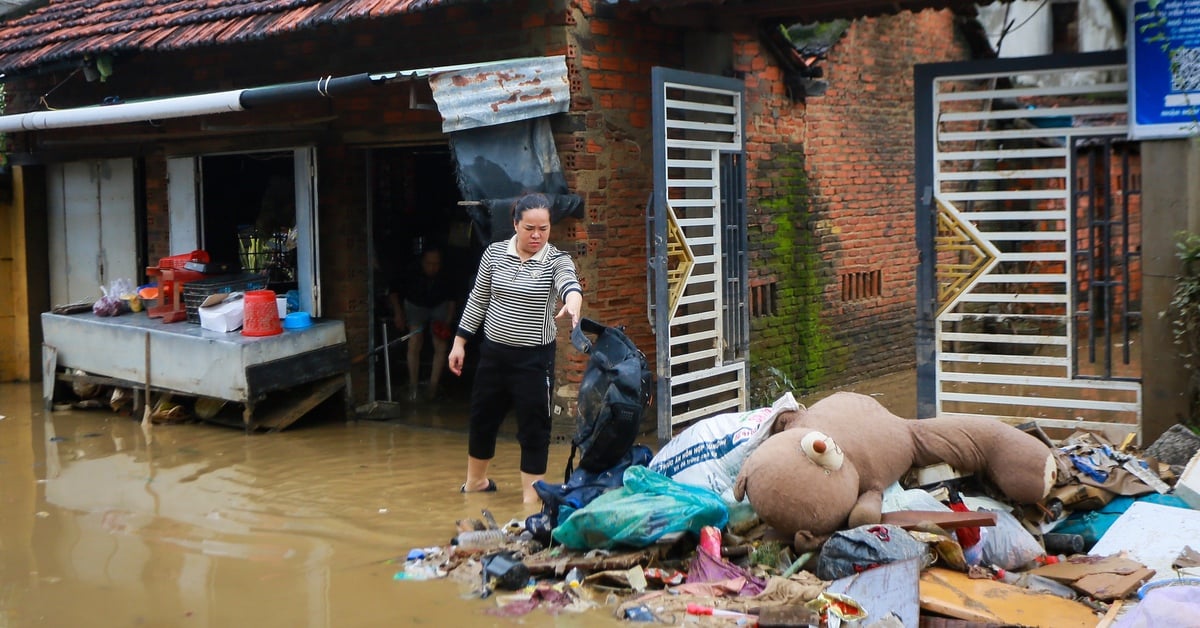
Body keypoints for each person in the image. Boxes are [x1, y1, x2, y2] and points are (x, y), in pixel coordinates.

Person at [449, 193, 583, 504]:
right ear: (515, 224)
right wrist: (459, 342)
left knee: (534, 427)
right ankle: (476, 484)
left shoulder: (557, 260)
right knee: (482, 418)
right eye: (529, 228)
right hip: (493, 354)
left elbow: (569, 284)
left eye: (544, 229)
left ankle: (530, 500)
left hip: (534, 360)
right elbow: (478, 300)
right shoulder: (493, 255)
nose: (537, 236)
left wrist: (573, 302)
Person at [389, 247, 457, 401]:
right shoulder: (410, 271)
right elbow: (393, 292)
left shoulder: (447, 274)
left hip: (439, 304)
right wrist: (398, 313)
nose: (433, 267)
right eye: (429, 263)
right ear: (422, 262)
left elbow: (452, 300)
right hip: (415, 304)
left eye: (436, 264)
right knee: (415, 341)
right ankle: (413, 386)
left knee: (441, 344)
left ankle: (432, 387)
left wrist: (446, 323)